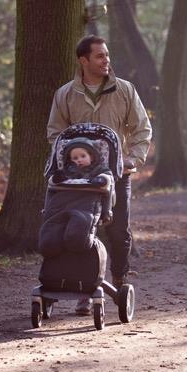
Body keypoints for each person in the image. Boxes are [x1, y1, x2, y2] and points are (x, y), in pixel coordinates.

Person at [47, 35, 152, 315]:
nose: (106, 60)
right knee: (82, 230)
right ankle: (84, 287)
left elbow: (142, 129)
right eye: (99, 56)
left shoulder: (125, 90)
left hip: (117, 175)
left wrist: (133, 159)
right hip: (79, 180)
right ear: (83, 60)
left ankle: (119, 280)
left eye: (107, 55)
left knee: (118, 232)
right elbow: (56, 134)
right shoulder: (66, 94)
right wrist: (68, 162)